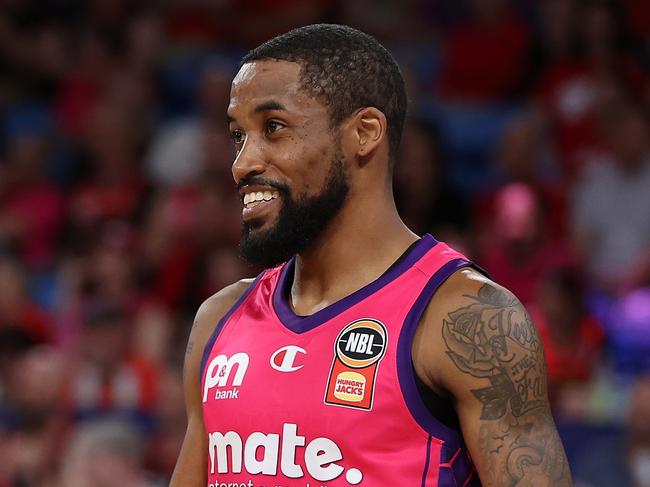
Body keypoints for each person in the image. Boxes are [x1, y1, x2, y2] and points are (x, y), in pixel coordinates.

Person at [171, 24, 572, 487]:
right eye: (238, 135)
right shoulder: (218, 320)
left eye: (274, 128)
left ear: (364, 133)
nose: (242, 163)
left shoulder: (466, 318)